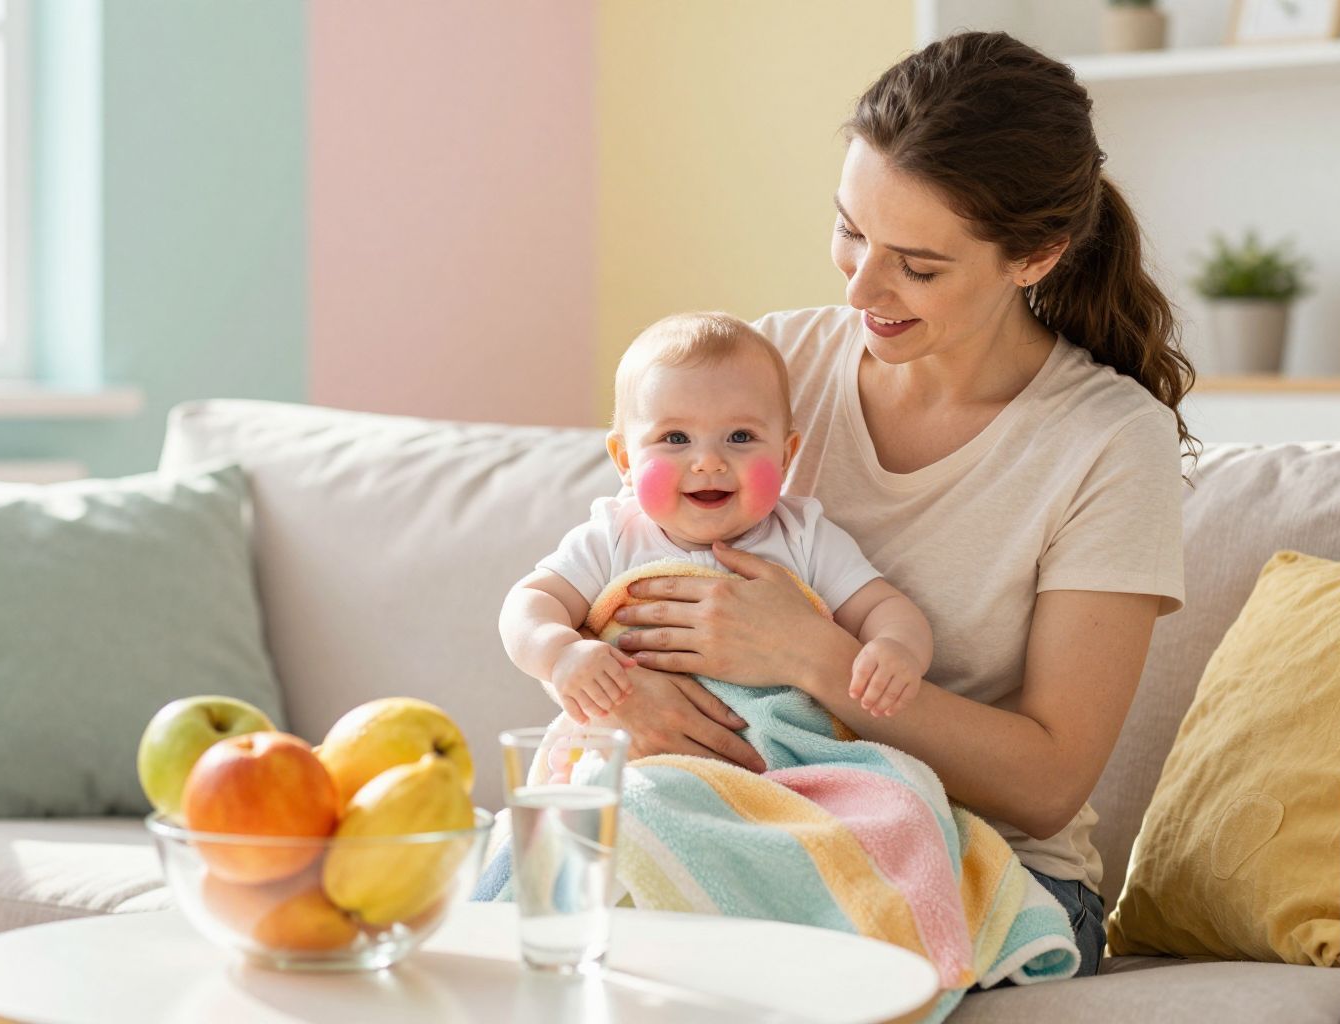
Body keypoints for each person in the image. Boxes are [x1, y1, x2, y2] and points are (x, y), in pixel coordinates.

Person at [576, 31, 1196, 978]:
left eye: (918, 264)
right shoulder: (769, 370)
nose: (861, 285)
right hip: (749, 822)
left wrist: (815, 657)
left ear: (1034, 256)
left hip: (985, 872)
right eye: (851, 230)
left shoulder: (1109, 442)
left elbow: (1047, 782)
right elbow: (607, 571)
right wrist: (625, 698)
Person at [499, 311, 933, 735]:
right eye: (676, 438)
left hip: (784, 751)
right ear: (626, 462)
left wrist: (896, 649)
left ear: (785, 456)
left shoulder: (803, 535)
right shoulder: (614, 536)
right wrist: (560, 655)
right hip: (646, 753)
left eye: (740, 437)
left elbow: (883, 607)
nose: (709, 462)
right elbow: (529, 603)